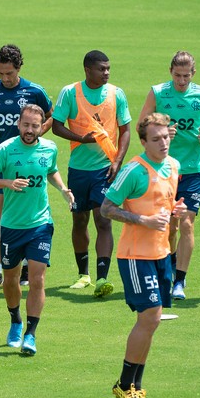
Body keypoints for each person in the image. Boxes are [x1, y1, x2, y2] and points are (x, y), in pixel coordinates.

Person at [100, 114, 186, 398]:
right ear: (143, 141)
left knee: (152, 321)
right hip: (135, 256)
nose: (163, 143)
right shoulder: (134, 170)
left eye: (165, 137)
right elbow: (107, 208)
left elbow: (164, 203)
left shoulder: (174, 166)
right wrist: (143, 220)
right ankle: (124, 385)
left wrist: (175, 210)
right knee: (149, 317)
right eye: (156, 139)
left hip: (161, 254)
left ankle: (134, 387)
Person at [0, 105, 73, 356]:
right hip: (11, 226)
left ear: (42, 126)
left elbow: (51, 170)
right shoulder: (6, 149)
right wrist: (7, 183)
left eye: (35, 125)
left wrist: (63, 189)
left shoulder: (49, 148)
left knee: (37, 278)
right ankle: (15, 320)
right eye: (26, 125)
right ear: (19, 124)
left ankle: (30, 334)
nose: (30, 130)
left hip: (40, 224)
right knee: (10, 280)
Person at [51, 50, 131, 296]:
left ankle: (102, 278)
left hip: (105, 169)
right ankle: (83, 274)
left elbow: (125, 129)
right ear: (88, 70)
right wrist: (81, 139)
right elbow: (56, 126)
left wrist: (117, 161)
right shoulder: (70, 93)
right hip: (78, 170)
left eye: (108, 68)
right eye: (101, 69)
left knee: (103, 219)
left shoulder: (116, 94)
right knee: (80, 220)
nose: (106, 72)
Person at [137, 52, 200, 300]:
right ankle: (170, 267)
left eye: (186, 76)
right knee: (168, 227)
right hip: (164, 170)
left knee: (187, 223)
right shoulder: (158, 93)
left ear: (193, 74)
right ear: (170, 72)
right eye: (177, 75)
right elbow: (142, 124)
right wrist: (162, 132)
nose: (181, 81)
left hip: (192, 169)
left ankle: (180, 281)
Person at [0, 44, 52, 292]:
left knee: (23, 215)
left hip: (26, 167)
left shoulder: (34, 91)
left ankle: (22, 263)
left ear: (18, 68)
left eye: (9, 73)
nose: (5, 78)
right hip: (0, 162)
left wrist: (35, 135)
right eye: (1, 73)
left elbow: (51, 114)